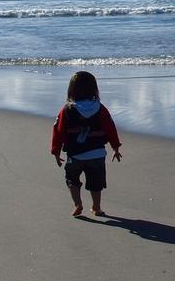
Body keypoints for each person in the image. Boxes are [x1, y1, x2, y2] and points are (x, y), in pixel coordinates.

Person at [50, 70, 122, 217]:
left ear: (71, 89)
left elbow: (58, 130)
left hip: (75, 155)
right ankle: (96, 207)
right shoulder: (100, 108)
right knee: (96, 183)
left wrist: (56, 151)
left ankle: (78, 205)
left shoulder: (67, 110)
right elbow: (110, 127)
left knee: (72, 179)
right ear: (94, 89)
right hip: (97, 154)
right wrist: (115, 147)